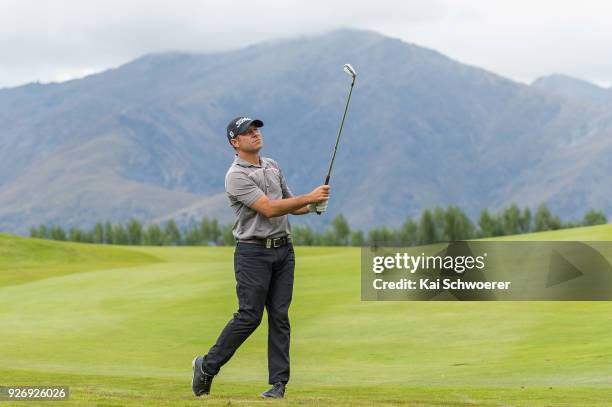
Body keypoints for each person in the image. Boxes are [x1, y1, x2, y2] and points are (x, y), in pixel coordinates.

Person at [192, 116, 330, 399]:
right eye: (247, 132)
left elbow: (291, 206)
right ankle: (207, 366)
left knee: (279, 316)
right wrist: (308, 197)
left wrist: (315, 205)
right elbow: (268, 209)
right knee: (249, 316)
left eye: (256, 130)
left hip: (283, 250)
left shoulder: (272, 165)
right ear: (235, 142)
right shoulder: (236, 176)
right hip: (252, 253)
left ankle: (278, 385)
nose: (255, 134)